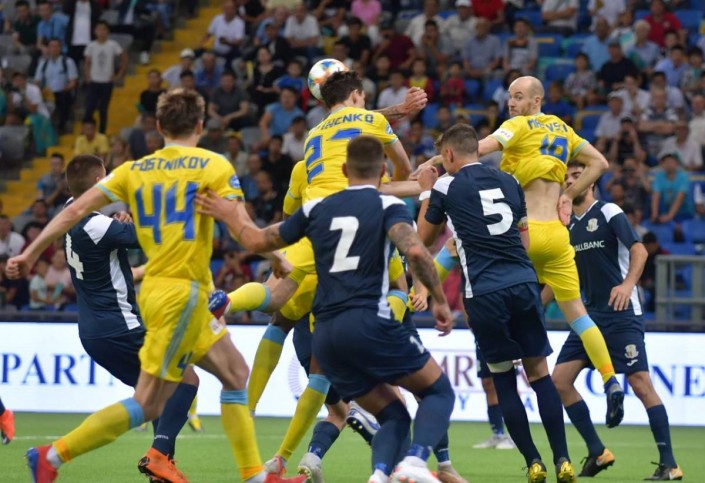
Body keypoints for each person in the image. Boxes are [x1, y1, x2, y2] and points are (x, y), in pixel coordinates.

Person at [8, 88, 304, 483]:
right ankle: (54, 455)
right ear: (201, 125)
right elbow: (249, 235)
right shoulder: (214, 166)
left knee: (233, 373)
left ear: (159, 126)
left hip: (162, 295)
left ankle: (250, 474)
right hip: (181, 295)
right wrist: (281, 251)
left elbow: (74, 210)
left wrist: (30, 254)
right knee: (151, 401)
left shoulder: (134, 170)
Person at [198, 135, 456, 483]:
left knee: (392, 414)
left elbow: (257, 240)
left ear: (345, 170)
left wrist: (230, 214)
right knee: (438, 391)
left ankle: (381, 475)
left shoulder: (315, 209)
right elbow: (415, 251)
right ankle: (415, 462)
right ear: (383, 171)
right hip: (369, 322)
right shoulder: (387, 207)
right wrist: (438, 299)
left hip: (326, 335)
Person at [416, 123, 576, 483]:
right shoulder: (510, 181)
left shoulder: (445, 185)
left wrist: (426, 190)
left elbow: (422, 239)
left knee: (503, 379)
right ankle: (563, 460)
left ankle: (533, 463)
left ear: (449, 154)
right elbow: (524, 240)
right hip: (523, 283)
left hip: (485, 293)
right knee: (540, 375)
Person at [468, 75, 625, 426]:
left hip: (523, 232)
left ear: (536, 100)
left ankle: (508, 356)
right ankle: (610, 379)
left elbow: (475, 150)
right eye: (510, 97)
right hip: (556, 234)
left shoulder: (517, 126)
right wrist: (568, 195)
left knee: (488, 286)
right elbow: (600, 163)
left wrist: (438, 159)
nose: (511, 103)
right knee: (579, 316)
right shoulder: (564, 130)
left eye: (518, 96)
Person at [60, 154, 201, 481]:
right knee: (185, 379)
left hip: (93, 331)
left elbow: (110, 249)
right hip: (118, 326)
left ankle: (160, 467)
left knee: (156, 394)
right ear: (99, 183)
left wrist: (119, 224)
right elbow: (150, 237)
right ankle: (58, 452)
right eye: (107, 178)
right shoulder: (97, 226)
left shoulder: (71, 214)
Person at [550, 161, 683, 481]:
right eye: (567, 179)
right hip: (588, 317)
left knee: (640, 383)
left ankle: (670, 464)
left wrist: (627, 285)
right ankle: (598, 451)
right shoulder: (566, 225)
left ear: (591, 182)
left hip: (623, 313)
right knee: (560, 381)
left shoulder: (609, 211)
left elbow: (640, 251)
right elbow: (558, 277)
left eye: (577, 176)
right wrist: (531, 306)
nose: (571, 182)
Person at [83, 21, 128, 134]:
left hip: (107, 81)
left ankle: (102, 133)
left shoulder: (113, 45)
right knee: (89, 108)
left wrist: (119, 75)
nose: (101, 32)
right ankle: (85, 131)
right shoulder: (91, 45)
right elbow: (87, 62)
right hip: (94, 81)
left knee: (103, 109)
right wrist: (87, 76)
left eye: (104, 29)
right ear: (95, 31)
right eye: (99, 29)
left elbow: (124, 58)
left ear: (108, 31)